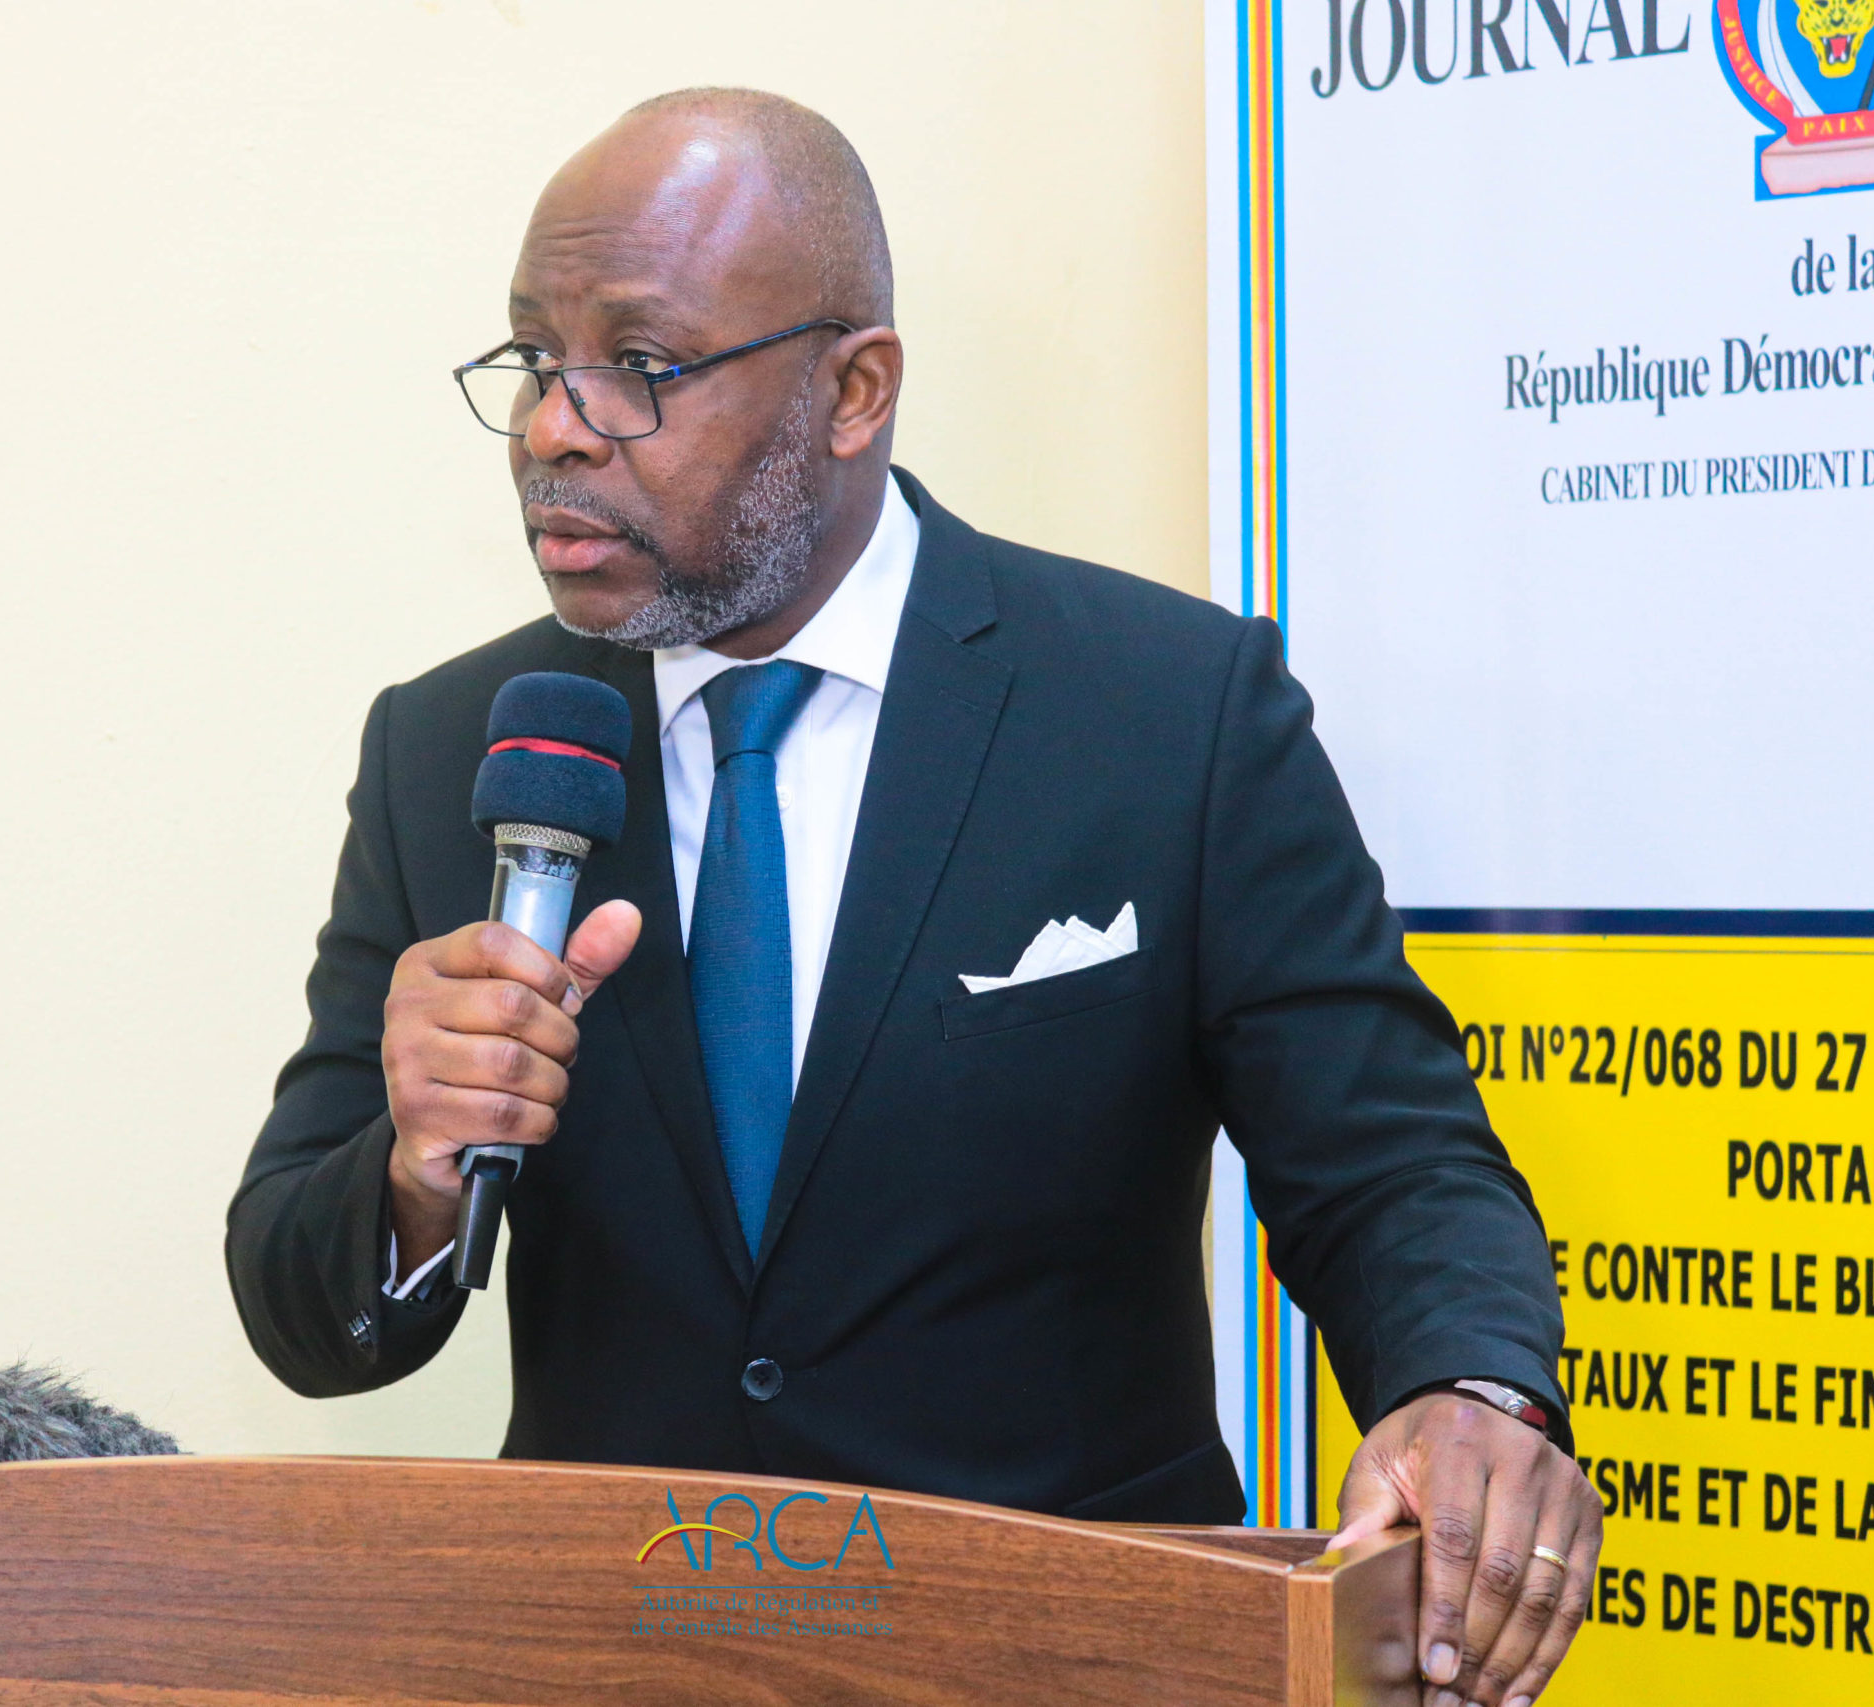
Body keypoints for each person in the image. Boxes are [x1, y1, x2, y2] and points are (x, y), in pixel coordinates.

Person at [228, 87, 1598, 1707]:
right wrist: (414, 1172)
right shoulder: (460, 747)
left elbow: (1388, 1163)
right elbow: (302, 1310)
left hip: (1079, 1654)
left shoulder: (1167, 709)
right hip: (610, 1657)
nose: (555, 427)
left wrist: (1468, 1393)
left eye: (641, 363)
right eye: (537, 356)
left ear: (854, 389)